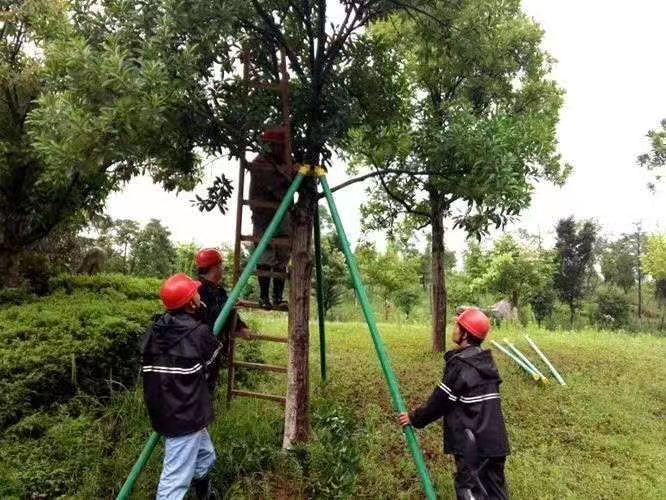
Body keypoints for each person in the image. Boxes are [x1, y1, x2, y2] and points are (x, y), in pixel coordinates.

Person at [398, 308, 510, 500]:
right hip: (496, 442)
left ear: (465, 334)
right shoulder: (485, 362)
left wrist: (414, 418)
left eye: (457, 326)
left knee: (470, 492)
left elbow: (440, 402)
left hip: (473, 444)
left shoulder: (461, 365)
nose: (454, 329)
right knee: (495, 493)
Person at [142, 273, 222, 500]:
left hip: (164, 408)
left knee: (206, 457)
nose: (199, 293)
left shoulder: (155, 330)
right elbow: (212, 369)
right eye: (195, 292)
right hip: (186, 414)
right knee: (174, 481)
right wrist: (205, 315)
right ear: (191, 303)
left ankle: (204, 494)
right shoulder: (199, 333)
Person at [248, 125, 294, 309]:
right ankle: (264, 297)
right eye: (280, 146)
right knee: (264, 256)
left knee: (282, 255)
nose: (283, 150)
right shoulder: (260, 163)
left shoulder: (281, 161)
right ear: (270, 145)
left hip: (281, 214)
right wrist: (293, 173)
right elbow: (276, 187)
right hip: (264, 216)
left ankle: (276, 297)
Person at [195, 247, 252, 355]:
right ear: (214, 267)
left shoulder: (219, 291)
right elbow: (207, 316)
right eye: (221, 265)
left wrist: (241, 327)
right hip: (201, 349)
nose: (223, 268)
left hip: (214, 348)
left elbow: (227, 312)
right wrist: (228, 305)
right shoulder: (196, 291)